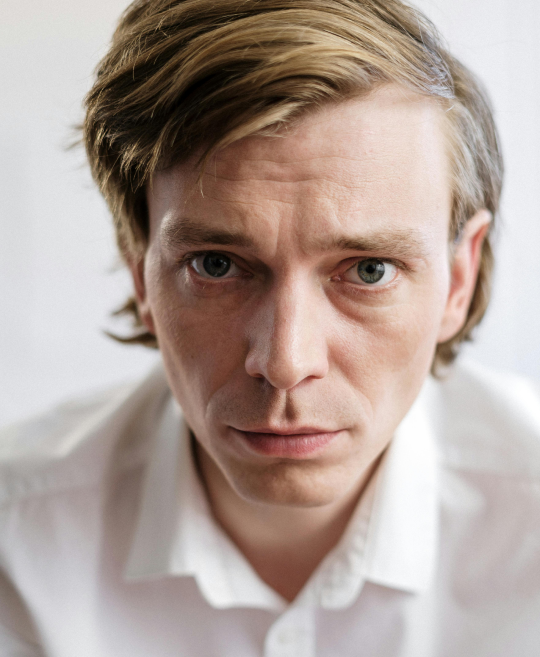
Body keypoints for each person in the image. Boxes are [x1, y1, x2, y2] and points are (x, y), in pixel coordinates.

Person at [1, 0, 539, 655]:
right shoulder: (17, 546)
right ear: (141, 274)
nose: (286, 361)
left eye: (369, 270)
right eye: (216, 265)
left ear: (458, 278)